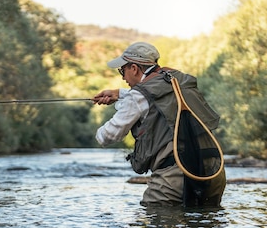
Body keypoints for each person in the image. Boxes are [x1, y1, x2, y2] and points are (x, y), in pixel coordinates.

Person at [93, 41, 226, 207]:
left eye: (123, 70)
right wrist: (119, 94)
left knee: (155, 219)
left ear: (134, 68)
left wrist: (101, 128)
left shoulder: (136, 98)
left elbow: (107, 136)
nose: (122, 77)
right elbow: (157, 97)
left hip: (174, 176)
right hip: (213, 171)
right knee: (204, 227)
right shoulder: (178, 79)